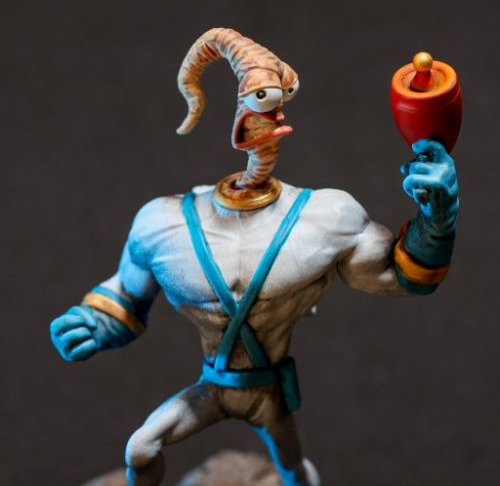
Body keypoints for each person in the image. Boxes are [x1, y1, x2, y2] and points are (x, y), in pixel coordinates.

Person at [50, 28, 458, 486]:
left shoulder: (325, 218)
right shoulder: (163, 224)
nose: (270, 113)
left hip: (269, 395)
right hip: (212, 387)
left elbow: (404, 274)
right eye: (261, 99)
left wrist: (439, 215)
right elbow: (125, 299)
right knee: (141, 448)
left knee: (294, 473)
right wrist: (90, 324)